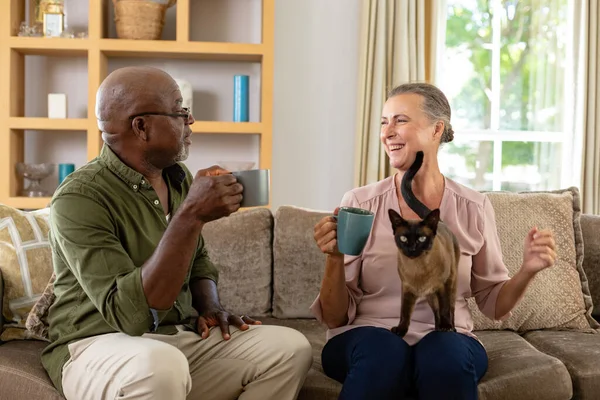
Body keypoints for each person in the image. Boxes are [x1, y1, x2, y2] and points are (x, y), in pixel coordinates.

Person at [41, 66, 312, 400]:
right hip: (94, 344)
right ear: (141, 127)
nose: (190, 121)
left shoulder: (178, 178)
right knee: (160, 366)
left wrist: (211, 306)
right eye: (180, 111)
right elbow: (129, 315)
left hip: (173, 340)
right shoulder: (79, 198)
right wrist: (191, 214)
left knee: (289, 348)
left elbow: (197, 261)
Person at [310, 82, 557, 400]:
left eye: (400, 120)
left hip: (446, 339)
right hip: (366, 339)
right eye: (384, 122)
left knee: (443, 353)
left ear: (436, 129)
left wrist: (528, 270)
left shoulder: (473, 206)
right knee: (383, 350)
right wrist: (333, 256)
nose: (387, 132)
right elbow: (333, 317)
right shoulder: (360, 203)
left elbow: (494, 304)